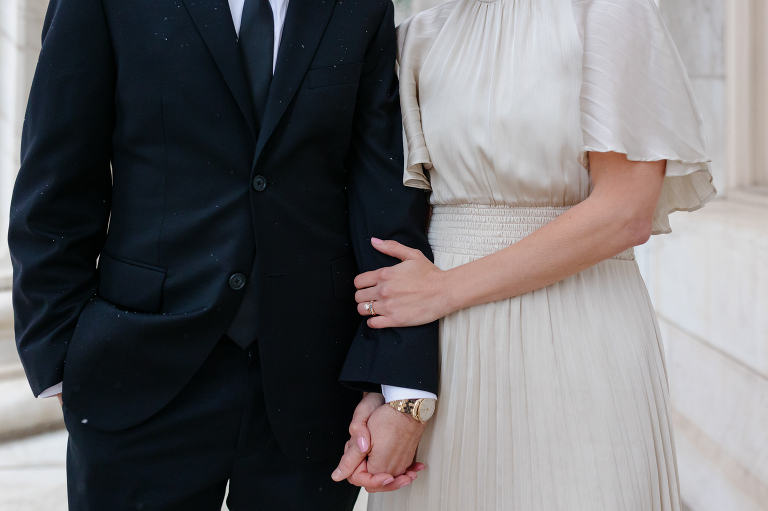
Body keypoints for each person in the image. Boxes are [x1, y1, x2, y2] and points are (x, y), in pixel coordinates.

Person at [10, 0, 439, 509]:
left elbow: (385, 204)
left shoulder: (358, 7)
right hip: (138, 375)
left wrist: (400, 388)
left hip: (315, 389)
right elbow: (56, 181)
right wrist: (59, 358)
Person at [336, 0, 716, 509]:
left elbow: (625, 213)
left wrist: (446, 290)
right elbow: (401, 225)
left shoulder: (608, 14)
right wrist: (393, 390)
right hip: (449, 355)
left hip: (577, 336)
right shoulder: (421, 33)